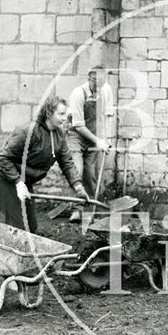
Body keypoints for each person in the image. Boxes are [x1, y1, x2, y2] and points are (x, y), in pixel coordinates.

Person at [0, 96, 89, 233]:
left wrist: (78, 187)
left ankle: (26, 251)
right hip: (4, 177)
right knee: (18, 225)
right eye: (61, 114)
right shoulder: (28, 132)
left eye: (66, 114)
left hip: (23, 179)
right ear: (48, 113)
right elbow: (4, 157)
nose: (65, 118)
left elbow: (67, 163)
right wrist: (17, 182)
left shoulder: (59, 135)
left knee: (31, 226)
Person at [67, 66, 111, 223]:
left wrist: (106, 138)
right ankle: (76, 210)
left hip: (94, 135)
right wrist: (98, 140)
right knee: (77, 170)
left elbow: (107, 115)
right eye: (95, 83)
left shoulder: (106, 90)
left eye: (102, 84)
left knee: (90, 174)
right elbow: (78, 125)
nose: (98, 88)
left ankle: (89, 210)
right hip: (76, 135)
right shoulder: (78, 94)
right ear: (89, 79)